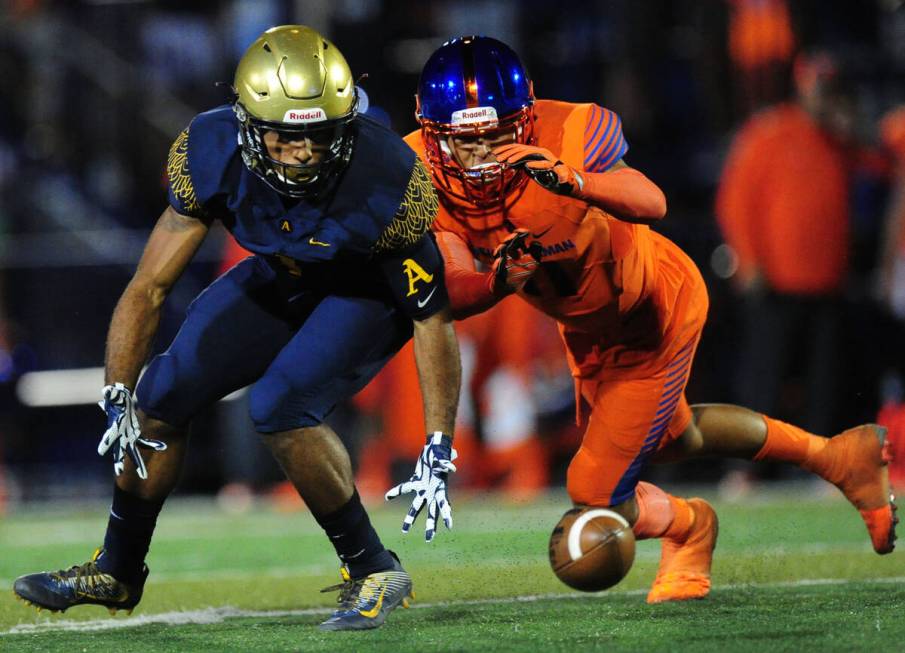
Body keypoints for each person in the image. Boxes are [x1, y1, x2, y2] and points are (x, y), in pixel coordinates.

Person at [403, 36, 896, 604]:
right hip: (585, 326)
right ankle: (838, 457)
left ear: (527, 117)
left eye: (497, 134)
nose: (484, 155)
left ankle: (689, 528)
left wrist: (576, 181)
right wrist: (496, 282)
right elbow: (451, 291)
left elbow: (652, 200)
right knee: (673, 436)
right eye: (466, 141)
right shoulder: (416, 175)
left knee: (593, 488)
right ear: (434, 136)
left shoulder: (571, 129)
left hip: (650, 306)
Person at [13, 25, 461, 632]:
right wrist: (118, 390)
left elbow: (432, 316)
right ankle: (117, 570)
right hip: (283, 276)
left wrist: (439, 442)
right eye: (286, 136)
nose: (304, 152)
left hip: (363, 292)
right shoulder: (210, 148)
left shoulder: (385, 175)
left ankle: (374, 568)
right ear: (250, 127)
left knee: (279, 407)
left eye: (319, 136)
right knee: (158, 398)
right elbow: (148, 286)